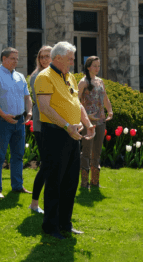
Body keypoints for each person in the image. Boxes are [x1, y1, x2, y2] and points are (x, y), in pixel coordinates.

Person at [34, 41, 95, 240]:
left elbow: (76, 103)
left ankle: (65, 224)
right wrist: (66, 126)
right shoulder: (44, 77)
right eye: (70, 58)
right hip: (55, 134)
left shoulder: (69, 77)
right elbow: (45, 108)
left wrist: (87, 123)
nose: (73, 62)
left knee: (70, 181)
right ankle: (50, 226)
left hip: (72, 134)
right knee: (54, 181)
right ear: (58, 57)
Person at [0, 47, 33, 199]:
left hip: (19, 121)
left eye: (17, 59)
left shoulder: (20, 76)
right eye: (13, 58)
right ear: (4, 59)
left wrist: (29, 111)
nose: (16, 61)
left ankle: (17, 186)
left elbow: (27, 97)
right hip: (2, 121)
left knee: (18, 155)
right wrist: (4, 115)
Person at [78, 56, 113, 188]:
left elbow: (105, 98)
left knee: (97, 152)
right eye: (95, 66)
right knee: (86, 151)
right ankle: (84, 183)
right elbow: (75, 101)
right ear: (88, 67)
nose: (97, 68)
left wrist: (110, 111)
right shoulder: (83, 82)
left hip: (101, 121)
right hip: (88, 122)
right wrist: (86, 116)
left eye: (99, 66)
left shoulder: (100, 81)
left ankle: (95, 182)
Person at [29, 45, 52, 214]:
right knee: (46, 164)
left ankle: (50, 201)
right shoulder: (36, 76)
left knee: (52, 164)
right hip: (41, 124)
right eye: (41, 56)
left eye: (47, 56)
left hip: (55, 124)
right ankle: (35, 203)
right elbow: (44, 104)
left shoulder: (57, 75)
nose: (44, 59)